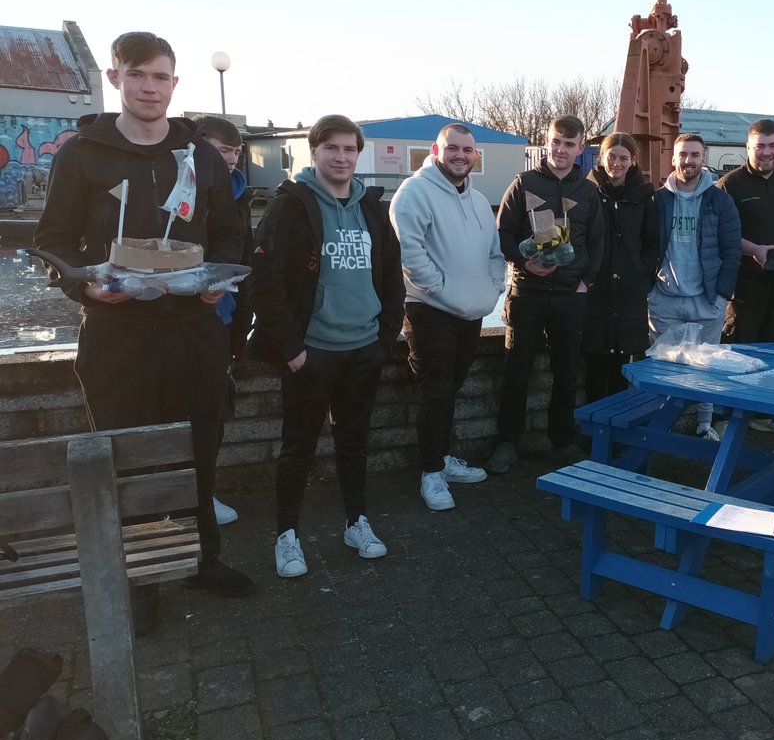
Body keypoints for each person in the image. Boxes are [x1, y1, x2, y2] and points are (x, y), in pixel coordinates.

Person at [33, 31, 254, 633]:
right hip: (117, 333)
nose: (149, 88)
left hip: (192, 328)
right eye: (138, 76)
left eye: (160, 77)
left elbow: (232, 233)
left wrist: (219, 280)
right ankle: (138, 581)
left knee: (199, 447)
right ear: (116, 80)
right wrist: (83, 286)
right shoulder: (82, 153)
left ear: (175, 84)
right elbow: (51, 241)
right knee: (124, 458)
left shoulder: (201, 155)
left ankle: (203, 561)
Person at [247, 114, 404, 578]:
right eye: (331, 148)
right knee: (298, 447)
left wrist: (385, 337)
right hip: (312, 354)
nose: (341, 157)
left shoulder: (373, 207)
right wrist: (293, 349)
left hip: (363, 350)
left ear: (359, 154)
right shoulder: (291, 207)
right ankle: (287, 535)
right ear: (313, 152)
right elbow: (264, 282)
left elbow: (393, 276)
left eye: (349, 149)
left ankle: (356, 521)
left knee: (354, 441)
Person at [389, 124, 504, 511]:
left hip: (471, 310)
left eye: (467, 150)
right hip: (429, 309)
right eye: (452, 148)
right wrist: (439, 287)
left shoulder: (478, 200)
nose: (460, 155)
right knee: (436, 391)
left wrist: (491, 289)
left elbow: (494, 252)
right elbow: (409, 251)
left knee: (451, 387)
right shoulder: (414, 192)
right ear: (436, 151)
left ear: (475, 156)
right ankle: (431, 472)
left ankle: (442, 458)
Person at [487, 115, 603, 474]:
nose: (561, 149)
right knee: (516, 371)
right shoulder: (522, 184)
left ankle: (563, 441)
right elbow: (502, 236)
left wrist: (586, 284)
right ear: (546, 142)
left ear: (581, 148)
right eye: (556, 141)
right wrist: (525, 261)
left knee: (567, 373)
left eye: (570, 144)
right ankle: (507, 442)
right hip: (527, 294)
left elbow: (597, 243)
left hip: (571, 297)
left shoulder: (588, 192)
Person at [651, 134, 741, 440]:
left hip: (707, 300)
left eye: (695, 155)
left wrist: (721, 295)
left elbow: (731, 250)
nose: (688, 160)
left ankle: (704, 425)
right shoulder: (659, 200)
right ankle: (661, 427)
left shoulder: (719, 199)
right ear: (673, 159)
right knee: (663, 365)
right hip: (665, 299)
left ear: (704, 159)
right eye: (682, 155)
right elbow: (646, 246)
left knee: (707, 367)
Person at [195, 115, 253, 526]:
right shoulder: (181, 188)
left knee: (212, 416)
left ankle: (203, 494)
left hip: (224, 322)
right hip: (179, 323)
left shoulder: (240, 194)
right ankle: (176, 502)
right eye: (221, 151)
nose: (230, 160)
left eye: (234, 151)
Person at [717, 118, 774, 345]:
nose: (766, 152)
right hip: (745, 285)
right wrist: (754, 250)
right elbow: (720, 234)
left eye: (772, 145)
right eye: (760, 146)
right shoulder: (730, 184)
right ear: (748, 147)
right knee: (741, 349)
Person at [581, 133, 658, 405]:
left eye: (623, 158)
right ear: (601, 157)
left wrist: (640, 270)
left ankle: (613, 435)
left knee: (621, 366)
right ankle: (593, 434)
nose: (616, 163)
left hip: (629, 294)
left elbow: (653, 242)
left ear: (633, 160)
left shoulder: (645, 196)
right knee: (593, 364)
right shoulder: (587, 192)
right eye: (611, 156)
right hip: (595, 292)